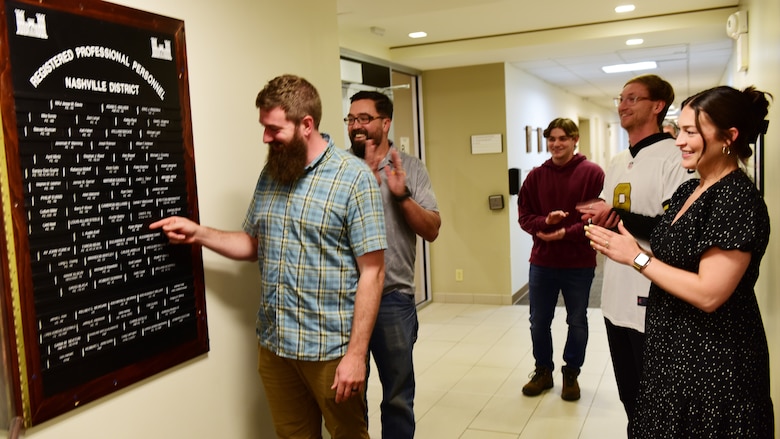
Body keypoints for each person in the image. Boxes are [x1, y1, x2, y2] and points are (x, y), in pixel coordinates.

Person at [150, 75, 387, 439]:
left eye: (273, 129)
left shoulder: (354, 179)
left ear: (306, 125)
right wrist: (198, 233)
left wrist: (356, 355)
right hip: (276, 347)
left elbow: (373, 273)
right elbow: (253, 244)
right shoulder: (273, 173)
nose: (265, 138)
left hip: (330, 352)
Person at [584, 85, 774, 437]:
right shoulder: (692, 189)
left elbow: (709, 293)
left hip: (712, 356)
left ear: (728, 137)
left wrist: (638, 258)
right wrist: (624, 248)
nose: (678, 141)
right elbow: (682, 260)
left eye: (690, 132)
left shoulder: (736, 199)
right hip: (672, 346)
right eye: (680, 130)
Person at [577, 74, 692, 435]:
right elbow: (613, 215)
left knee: (656, 401)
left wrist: (618, 217)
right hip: (614, 297)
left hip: (652, 302)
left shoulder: (674, 157)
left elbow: (675, 230)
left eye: (632, 98)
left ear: (657, 106)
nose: (623, 105)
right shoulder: (616, 160)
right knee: (630, 396)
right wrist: (599, 221)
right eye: (621, 98)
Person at [346, 90, 441, 438]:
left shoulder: (410, 168)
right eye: (351, 119)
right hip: (345, 300)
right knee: (347, 397)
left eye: (365, 118)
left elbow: (431, 230)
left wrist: (400, 194)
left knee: (398, 397)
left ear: (386, 123)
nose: (356, 126)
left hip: (393, 298)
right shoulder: (339, 168)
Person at [517, 118, 604, 401]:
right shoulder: (535, 177)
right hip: (542, 262)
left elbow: (596, 220)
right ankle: (543, 370)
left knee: (577, 320)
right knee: (538, 321)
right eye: (551, 139)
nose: (556, 144)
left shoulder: (593, 174)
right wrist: (546, 221)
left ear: (575, 139)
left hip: (578, 263)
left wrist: (565, 232)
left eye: (562, 138)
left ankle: (571, 373)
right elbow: (525, 217)